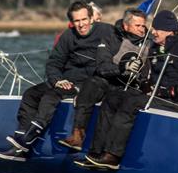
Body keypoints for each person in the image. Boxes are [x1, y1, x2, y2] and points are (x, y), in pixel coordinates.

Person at [76, 10, 178, 170]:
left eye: (156, 29)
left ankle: (113, 156)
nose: (152, 31)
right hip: (154, 94)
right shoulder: (154, 47)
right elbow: (147, 74)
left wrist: (170, 92)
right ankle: (96, 152)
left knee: (131, 103)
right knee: (113, 98)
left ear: (168, 30)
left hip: (174, 100)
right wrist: (141, 78)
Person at [0, 1, 114, 161]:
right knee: (30, 94)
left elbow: (126, 43)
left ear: (91, 18)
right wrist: (57, 80)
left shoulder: (107, 31)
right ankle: (20, 142)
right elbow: (54, 62)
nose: (81, 24)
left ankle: (28, 140)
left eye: (84, 19)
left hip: (89, 83)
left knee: (51, 97)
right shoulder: (68, 36)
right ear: (72, 22)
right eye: (77, 21)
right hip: (66, 80)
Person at [58, 8, 148, 151]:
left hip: (128, 88)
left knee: (114, 99)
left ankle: (101, 151)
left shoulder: (148, 44)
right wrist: (123, 68)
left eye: (144, 25)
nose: (142, 29)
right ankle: (78, 134)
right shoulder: (111, 38)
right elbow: (102, 66)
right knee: (91, 85)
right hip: (108, 79)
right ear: (126, 26)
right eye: (138, 26)